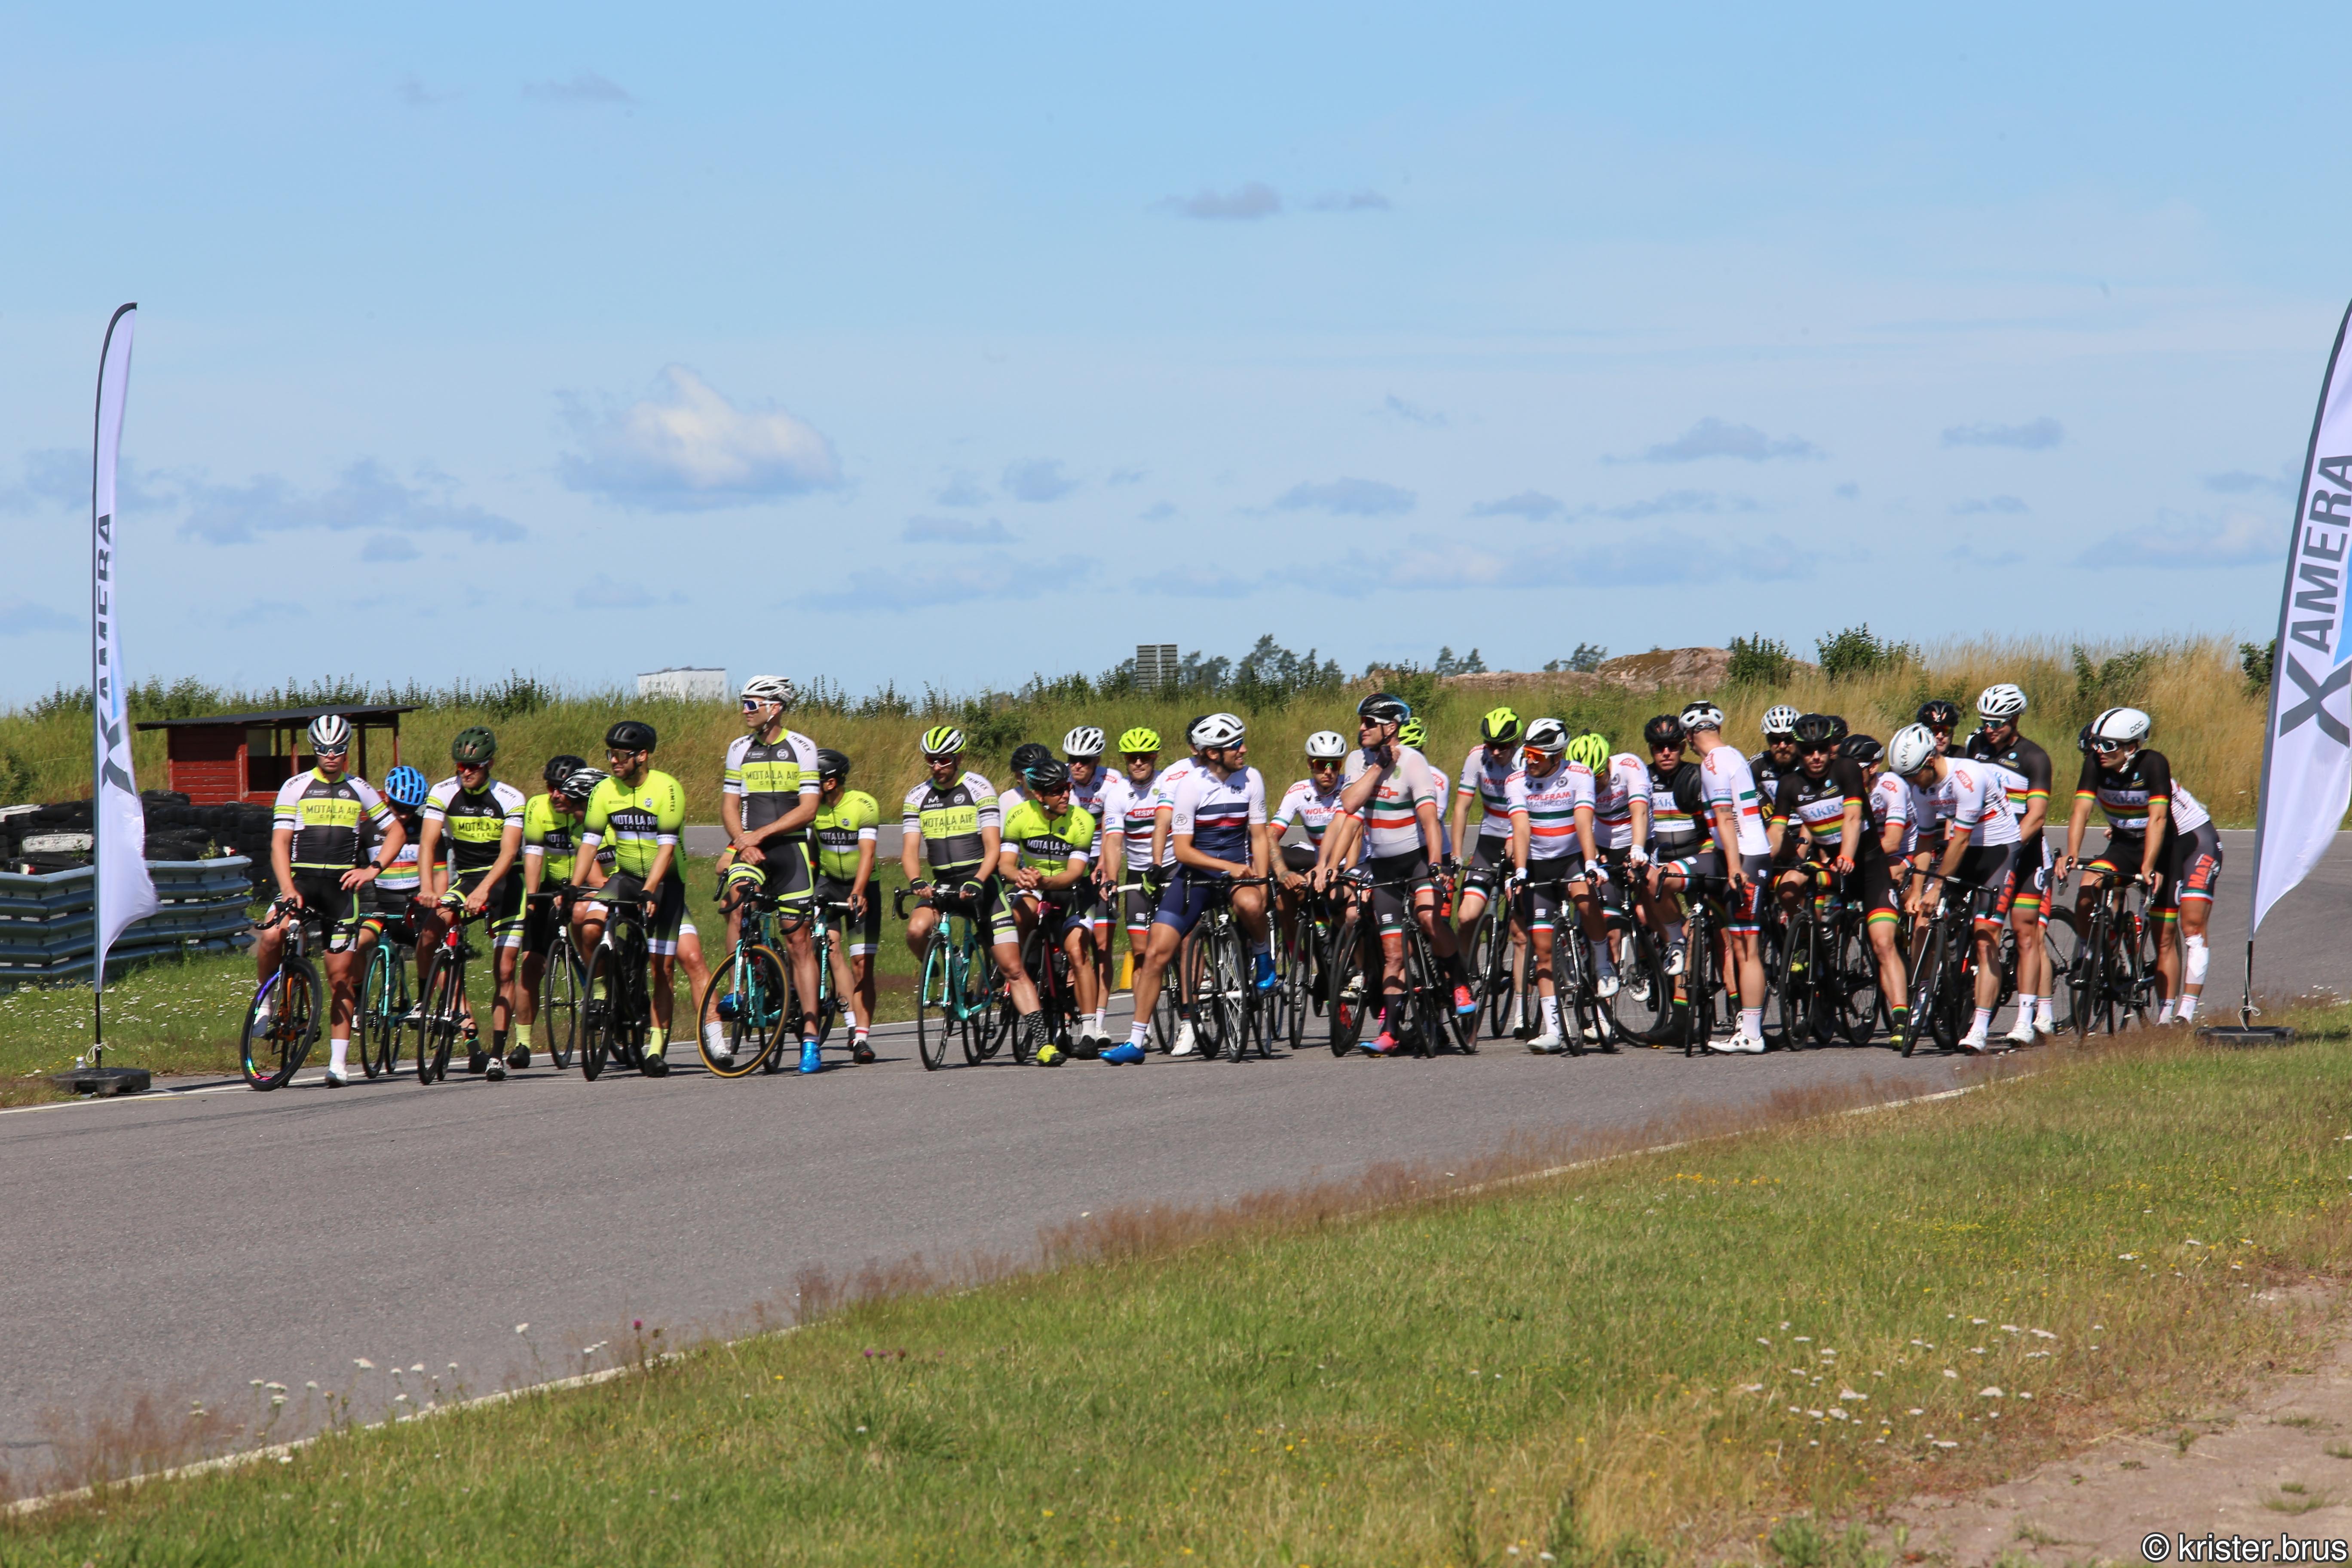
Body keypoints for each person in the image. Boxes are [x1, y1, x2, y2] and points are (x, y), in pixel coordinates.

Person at [1314, 692, 1473, 1054]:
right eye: (1361, 721)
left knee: (1429, 920)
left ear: (1390, 728)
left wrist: (1435, 864)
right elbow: (1350, 805)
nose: (1361, 728)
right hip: (1384, 865)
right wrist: (1377, 767)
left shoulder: (1414, 762)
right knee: (1392, 954)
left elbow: (1430, 821)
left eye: (1369, 722)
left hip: (1417, 859)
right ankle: (1389, 1031)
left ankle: (1459, 982)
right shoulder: (1358, 760)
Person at [257, 714, 407, 1087]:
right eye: (324, 749)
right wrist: (287, 888)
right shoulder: (295, 787)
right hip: (301, 883)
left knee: (340, 977)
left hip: (341, 892)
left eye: (338, 749)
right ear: (315, 749)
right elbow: (279, 844)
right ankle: (267, 1003)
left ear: (346, 749)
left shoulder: (360, 788)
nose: (331, 755)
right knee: (272, 936)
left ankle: (338, 1064)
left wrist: (372, 870)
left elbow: (396, 832)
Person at [2056, 706, 2220, 1023]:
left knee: (2181, 928)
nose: (2098, 751)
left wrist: (2148, 867)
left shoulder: (2153, 764)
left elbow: (2158, 819)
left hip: (2186, 841)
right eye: (2096, 744)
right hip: (2129, 841)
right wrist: (2072, 853)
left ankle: (2177, 1015)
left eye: (2107, 745)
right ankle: (2094, 954)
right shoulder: (2095, 763)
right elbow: (2080, 811)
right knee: (2090, 884)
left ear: (2131, 747)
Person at [1124, 713, 1271, 1060]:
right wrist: (1228, 867)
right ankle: (1135, 1041)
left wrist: (1262, 884)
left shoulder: (1252, 778)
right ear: (1214, 753)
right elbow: (1183, 850)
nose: (1244, 750)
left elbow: (1259, 837)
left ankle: (1263, 955)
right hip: (1198, 875)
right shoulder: (1190, 786)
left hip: (1239, 873)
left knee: (1252, 905)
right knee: (1157, 952)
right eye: (1236, 745)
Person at [900, 726, 1049, 1060]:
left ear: (959, 758)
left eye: (944, 760)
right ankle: (949, 962)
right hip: (943, 884)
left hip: (982, 885)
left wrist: (979, 879)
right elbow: (910, 850)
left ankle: (1044, 1043)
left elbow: (993, 847)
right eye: (930, 760)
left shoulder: (979, 788)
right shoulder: (916, 796)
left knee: (1012, 969)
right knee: (916, 931)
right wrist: (915, 880)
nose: (936, 766)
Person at [572, 720, 701, 1076]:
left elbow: (667, 849)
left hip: (664, 880)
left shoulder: (667, 788)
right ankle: (601, 992)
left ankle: (656, 1048)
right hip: (626, 877)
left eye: (621, 755)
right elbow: (590, 844)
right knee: (590, 925)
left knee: (662, 967)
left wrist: (650, 890)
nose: (614, 761)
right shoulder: (604, 791)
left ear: (642, 756)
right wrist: (573, 885)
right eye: (610, 754)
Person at [1890, 721, 2021, 1052]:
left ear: (1930, 760)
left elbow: (1960, 840)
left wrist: (1936, 888)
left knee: (1985, 936)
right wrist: (1918, 890)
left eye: (1913, 775)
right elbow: (1924, 840)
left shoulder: (1967, 777)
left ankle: (1979, 1027)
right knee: (1923, 916)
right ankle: (1922, 996)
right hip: (1963, 851)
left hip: (1997, 849)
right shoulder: (1920, 787)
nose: (1910, 783)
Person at [719, 675, 824, 1074]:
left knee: (799, 942)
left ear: (775, 707)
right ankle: (737, 989)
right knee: (737, 899)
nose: (745, 710)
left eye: (752, 704)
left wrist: (760, 835)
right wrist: (742, 841)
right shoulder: (738, 749)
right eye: (743, 703)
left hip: (790, 851)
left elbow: (809, 809)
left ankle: (810, 1038)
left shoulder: (803, 748)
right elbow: (729, 806)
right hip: (750, 849)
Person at [415, 726, 527, 1077]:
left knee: (505, 969)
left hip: (505, 883)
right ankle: (425, 1002)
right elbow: (427, 843)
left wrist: (485, 891)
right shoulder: (442, 792)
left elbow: (508, 853)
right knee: (430, 931)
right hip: (467, 879)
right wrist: (427, 887)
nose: (465, 772)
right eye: (460, 766)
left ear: (489, 764)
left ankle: (496, 1054)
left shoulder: (510, 798)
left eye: (473, 767)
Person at [1765, 714, 1871, 1044]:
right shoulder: (1789, 783)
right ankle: (1804, 942)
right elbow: (1778, 831)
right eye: (1808, 750)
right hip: (1813, 856)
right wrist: (1761, 860)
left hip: (1849, 856)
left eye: (1821, 749)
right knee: (1787, 887)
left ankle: (1825, 946)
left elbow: (1853, 818)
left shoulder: (1845, 771)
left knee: (1829, 910)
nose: (1815, 756)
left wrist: (1846, 856)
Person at [1674, 702, 1772, 1054]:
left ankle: (1752, 1033)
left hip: (1744, 858)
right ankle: (1748, 1029)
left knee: (1747, 949)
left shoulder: (1712, 764)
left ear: (1689, 737)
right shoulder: (1732, 755)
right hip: (1745, 854)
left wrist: (1733, 867)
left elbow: (1726, 818)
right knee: (1744, 948)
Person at [1965, 683, 2056, 1042]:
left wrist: (2009, 847)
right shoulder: (1975, 748)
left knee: (2025, 934)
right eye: (1985, 721)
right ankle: (1977, 1027)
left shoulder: (2035, 757)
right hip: (1986, 852)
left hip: (2024, 853)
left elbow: (2037, 816)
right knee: (1985, 938)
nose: (1990, 728)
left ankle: (2024, 1020)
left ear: (2016, 719)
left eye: (1998, 722)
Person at [1000, 757, 1103, 1063]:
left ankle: (1089, 1031)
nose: (1066, 795)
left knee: (1076, 951)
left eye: (1067, 788)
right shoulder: (1019, 815)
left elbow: (1074, 872)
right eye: (1057, 790)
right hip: (1035, 884)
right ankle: (1024, 970)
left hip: (1074, 890)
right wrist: (1018, 876)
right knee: (1018, 914)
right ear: (1039, 795)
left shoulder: (1081, 820)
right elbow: (1005, 864)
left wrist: (1044, 880)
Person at [1514, 720, 1601, 1052]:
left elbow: (1583, 821)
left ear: (1556, 756)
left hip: (1572, 859)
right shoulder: (1517, 781)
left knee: (1586, 901)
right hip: (1539, 864)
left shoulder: (1579, 774)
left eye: (1537, 755)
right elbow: (1521, 828)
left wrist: (1591, 863)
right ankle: (1553, 1030)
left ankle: (1603, 962)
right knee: (1543, 950)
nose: (1530, 760)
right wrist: (1520, 870)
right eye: (1527, 753)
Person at [511, 756, 596, 1068]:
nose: (556, 795)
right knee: (531, 964)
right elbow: (533, 856)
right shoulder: (537, 807)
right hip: (551, 886)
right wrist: (532, 901)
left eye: (562, 789)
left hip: (589, 883)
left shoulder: (592, 809)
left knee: (588, 930)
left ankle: (602, 986)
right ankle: (522, 1043)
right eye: (551, 788)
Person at [1091, 726, 1166, 1063]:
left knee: (1180, 946)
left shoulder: (1168, 786)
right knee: (1141, 952)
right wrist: (1110, 878)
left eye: (1144, 757)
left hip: (1171, 871)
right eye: (1131, 758)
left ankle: (1189, 1017)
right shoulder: (1118, 793)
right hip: (1138, 875)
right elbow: (1113, 841)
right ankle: (1143, 1025)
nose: (1138, 763)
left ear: (1154, 757)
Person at [1842, 734, 1914, 1050]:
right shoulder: (1844, 787)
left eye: (1855, 767)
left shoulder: (1891, 787)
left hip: (1900, 855)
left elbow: (1894, 842)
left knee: (1884, 941)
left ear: (1873, 767)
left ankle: (1901, 1017)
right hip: (1862, 858)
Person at [809, 748, 881, 1063]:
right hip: (828, 883)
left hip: (863, 886)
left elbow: (868, 853)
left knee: (861, 965)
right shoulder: (813, 808)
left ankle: (862, 1037)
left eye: (814, 780)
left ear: (830, 782)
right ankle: (851, 1024)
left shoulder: (863, 804)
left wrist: (859, 891)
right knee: (831, 950)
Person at [353, 763, 431, 967]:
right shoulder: (368, 830)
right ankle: (360, 989)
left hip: (418, 912)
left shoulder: (426, 829)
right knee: (355, 945)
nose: (404, 815)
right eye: (399, 807)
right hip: (383, 912)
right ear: (387, 799)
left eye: (410, 810)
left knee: (436, 966)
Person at [1752, 705, 1801, 831]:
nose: (1782, 746)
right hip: (1771, 830)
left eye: (1788, 739)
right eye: (1775, 740)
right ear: (1768, 740)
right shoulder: (1758, 764)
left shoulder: (1809, 762)